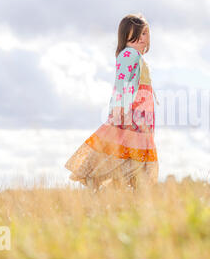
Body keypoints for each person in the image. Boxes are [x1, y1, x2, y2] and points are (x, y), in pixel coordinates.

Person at [65, 13, 159, 192]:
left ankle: (128, 191)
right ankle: (99, 177)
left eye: (145, 33)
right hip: (131, 114)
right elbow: (121, 83)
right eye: (135, 34)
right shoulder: (129, 54)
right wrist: (118, 108)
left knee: (134, 154)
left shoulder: (137, 57)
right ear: (125, 37)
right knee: (130, 153)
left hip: (141, 117)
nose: (141, 38)